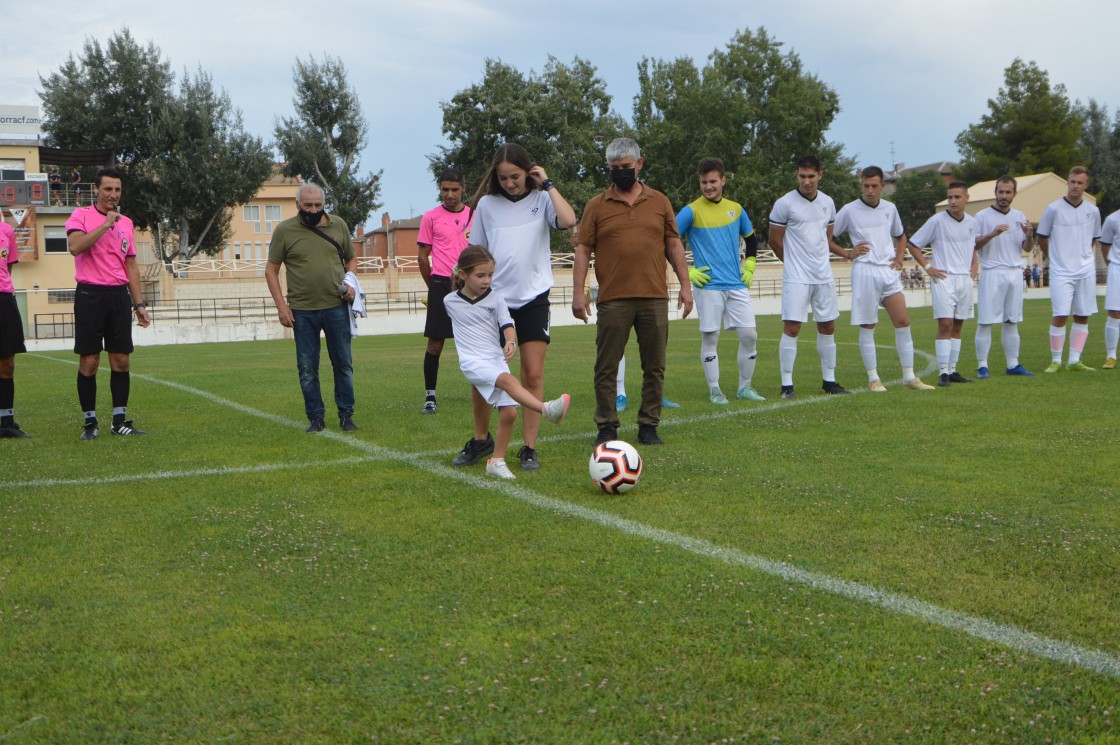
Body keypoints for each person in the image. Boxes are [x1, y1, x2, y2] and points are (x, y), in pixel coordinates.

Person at [452, 143, 577, 472]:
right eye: (503, 177)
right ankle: (481, 440)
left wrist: (548, 184)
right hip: (492, 303)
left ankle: (529, 447)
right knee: (486, 374)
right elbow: (476, 251)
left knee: (532, 373)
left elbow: (568, 219)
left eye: (516, 176)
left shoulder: (541, 199)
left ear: (528, 172)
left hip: (534, 298)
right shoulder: (487, 206)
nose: (510, 183)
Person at [572, 137, 694, 446]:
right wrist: (578, 292)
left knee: (655, 366)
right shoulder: (596, 206)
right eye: (614, 168)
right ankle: (607, 426)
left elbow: (673, 244)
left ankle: (649, 424)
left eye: (626, 167)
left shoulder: (660, 201)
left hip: (654, 297)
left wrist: (686, 286)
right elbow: (583, 251)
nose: (620, 172)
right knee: (606, 367)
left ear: (639, 164)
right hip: (613, 299)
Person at [444, 246, 571, 480]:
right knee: (508, 380)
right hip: (472, 362)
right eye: (480, 275)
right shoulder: (449, 301)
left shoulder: (496, 299)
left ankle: (497, 460)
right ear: (463, 275)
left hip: (495, 359)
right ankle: (546, 409)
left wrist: (511, 341)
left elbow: (507, 324)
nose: (486, 280)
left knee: (510, 413)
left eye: (490, 275)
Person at [65, 167, 151, 439]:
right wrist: (104, 225)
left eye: (117, 189)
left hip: (118, 296)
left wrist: (139, 304)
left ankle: (119, 421)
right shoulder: (81, 216)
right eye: (108, 189)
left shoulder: (126, 222)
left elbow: (131, 265)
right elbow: (75, 247)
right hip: (90, 294)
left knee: (121, 360)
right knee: (89, 361)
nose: (113, 194)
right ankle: (90, 423)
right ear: (96, 190)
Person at [831, 166, 934, 392]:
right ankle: (873, 379)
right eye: (866, 186)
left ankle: (909, 376)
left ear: (882, 186)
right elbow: (827, 235)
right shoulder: (849, 210)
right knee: (868, 325)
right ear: (861, 186)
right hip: (865, 270)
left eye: (874, 186)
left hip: (888, 271)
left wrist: (899, 258)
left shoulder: (890, 208)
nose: (870, 190)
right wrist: (848, 253)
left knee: (903, 322)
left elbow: (900, 235)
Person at [265, 183, 358, 432]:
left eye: (318, 205)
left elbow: (351, 257)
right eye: (308, 205)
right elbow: (271, 270)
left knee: (344, 364)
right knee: (307, 368)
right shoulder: (285, 231)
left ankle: (346, 415)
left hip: (337, 308)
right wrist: (281, 306)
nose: (314, 209)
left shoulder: (338, 225)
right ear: (298, 205)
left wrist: (351, 282)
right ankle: (316, 417)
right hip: (302, 311)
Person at [678, 157, 765, 404]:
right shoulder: (690, 211)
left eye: (713, 181)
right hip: (708, 286)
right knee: (711, 338)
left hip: (736, 284)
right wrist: (688, 273)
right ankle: (715, 390)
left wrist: (749, 266)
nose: (708, 186)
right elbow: (669, 242)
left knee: (750, 335)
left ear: (723, 180)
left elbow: (750, 239)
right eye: (704, 182)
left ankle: (745, 387)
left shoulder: (736, 209)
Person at [767, 155, 850, 399]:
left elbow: (827, 237)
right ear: (797, 175)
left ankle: (830, 381)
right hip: (797, 277)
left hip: (823, 275)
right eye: (802, 176)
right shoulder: (784, 204)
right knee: (792, 327)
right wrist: (792, 263)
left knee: (828, 325)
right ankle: (787, 386)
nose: (806, 181)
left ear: (820, 175)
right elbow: (774, 239)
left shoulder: (828, 202)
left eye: (811, 176)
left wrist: (840, 254)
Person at [907, 181, 979, 387]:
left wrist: (975, 263)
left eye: (957, 197)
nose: (953, 201)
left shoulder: (972, 222)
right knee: (945, 324)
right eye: (950, 197)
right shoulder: (937, 221)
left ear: (966, 198)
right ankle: (943, 372)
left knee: (958, 325)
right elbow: (913, 245)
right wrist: (928, 267)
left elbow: (972, 245)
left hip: (964, 280)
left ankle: (953, 370)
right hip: (943, 278)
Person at [417, 168, 472, 415]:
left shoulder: (474, 216)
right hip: (440, 284)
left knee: (477, 343)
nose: (449, 195)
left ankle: (489, 393)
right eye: (445, 190)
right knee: (435, 345)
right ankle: (430, 397)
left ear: (463, 189)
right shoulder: (431, 217)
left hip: (470, 287)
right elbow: (422, 257)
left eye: (454, 190)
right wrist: (433, 288)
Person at [1037, 166, 1102, 373]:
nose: (1075, 186)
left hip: (1085, 271)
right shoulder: (1053, 209)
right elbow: (1042, 237)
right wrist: (1054, 259)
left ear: (1086, 185)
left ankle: (1074, 360)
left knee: (1083, 315)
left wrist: (1082, 257)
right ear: (1068, 182)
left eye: (1080, 183)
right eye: (1072, 181)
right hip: (1061, 271)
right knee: (1061, 315)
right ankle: (1056, 360)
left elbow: (1093, 239)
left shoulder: (1093, 211)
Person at [973, 176, 1035, 378]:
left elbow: (1026, 248)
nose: (1004, 196)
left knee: (1011, 320)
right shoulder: (982, 216)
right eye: (1001, 192)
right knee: (986, 320)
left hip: (1014, 272)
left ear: (1014, 194)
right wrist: (992, 234)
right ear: (995, 192)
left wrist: (1030, 234)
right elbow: (973, 245)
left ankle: (1013, 364)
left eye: (1008, 192)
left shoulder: (1019, 216)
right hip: (992, 272)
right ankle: (983, 366)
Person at [0, 212, 29, 437]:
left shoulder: (7, 231)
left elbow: (8, 268)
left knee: (7, 361)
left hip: (4, 298)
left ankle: (7, 423)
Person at [1098, 207, 1120, 369]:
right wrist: (1111, 265)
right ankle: (1111, 355)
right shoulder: (1112, 219)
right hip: (1117, 268)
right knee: (1114, 311)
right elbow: (1105, 246)